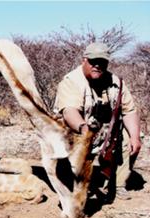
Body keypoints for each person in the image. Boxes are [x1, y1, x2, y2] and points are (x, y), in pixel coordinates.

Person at [54, 42, 142, 200]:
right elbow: (69, 111)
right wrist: (83, 127)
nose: (97, 65)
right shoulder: (72, 81)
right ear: (84, 60)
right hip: (75, 130)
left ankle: (118, 184)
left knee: (131, 135)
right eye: (93, 61)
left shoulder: (116, 82)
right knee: (70, 180)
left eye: (102, 62)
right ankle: (72, 180)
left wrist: (135, 137)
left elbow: (129, 111)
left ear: (107, 63)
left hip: (103, 132)